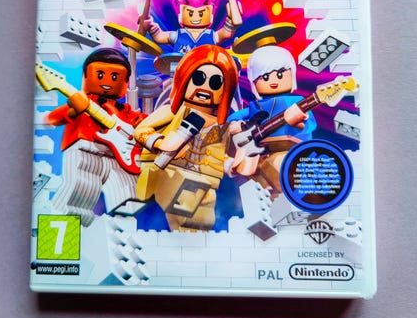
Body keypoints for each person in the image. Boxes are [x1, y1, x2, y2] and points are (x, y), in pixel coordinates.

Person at [134, 44, 239, 231]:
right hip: (166, 173)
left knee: (202, 223)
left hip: (204, 184)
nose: (205, 88)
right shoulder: (174, 112)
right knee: (187, 210)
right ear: (185, 78)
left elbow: (217, 155)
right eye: (199, 79)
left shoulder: (221, 127)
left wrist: (232, 165)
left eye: (215, 83)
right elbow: (141, 130)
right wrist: (160, 143)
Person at [46, 48, 145, 226]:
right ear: (85, 77)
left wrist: (144, 125)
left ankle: (124, 235)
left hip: (120, 160)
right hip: (87, 151)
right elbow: (54, 118)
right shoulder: (83, 103)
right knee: (78, 195)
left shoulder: (125, 111)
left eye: (114, 77)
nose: (107, 82)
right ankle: (58, 240)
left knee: (129, 200)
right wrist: (74, 110)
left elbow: (143, 123)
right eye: (100, 74)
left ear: (125, 82)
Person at [227, 45, 316, 196]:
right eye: (265, 77)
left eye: (280, 74)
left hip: (287, 151)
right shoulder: (256, 105)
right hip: (257, 154)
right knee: (257, 186)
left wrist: (299, 123)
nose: (273, 81)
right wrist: (235, 123)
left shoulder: (296, 102)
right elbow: (236, 116)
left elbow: (309, 126)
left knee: (281, 172)